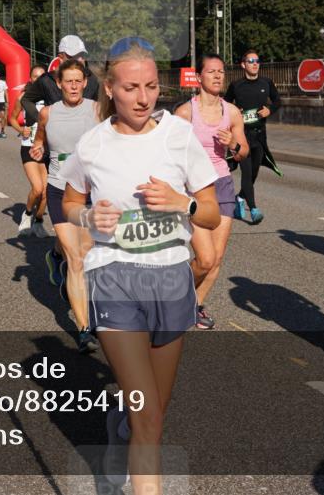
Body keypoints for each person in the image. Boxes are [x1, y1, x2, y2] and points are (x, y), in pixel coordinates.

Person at [61, 41, 220, 492]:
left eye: (151, 86)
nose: (143, 97)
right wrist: (88, 217)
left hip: (171, 279)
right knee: (148, 410)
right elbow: (70, 201)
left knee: (156, 410)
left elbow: (209, 211)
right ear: (110, 89)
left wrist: (182, 202)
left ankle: (122, 428)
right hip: (114, 278)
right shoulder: (92, 144)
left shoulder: (177, 135)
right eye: (131, 87)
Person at [175, 54, 249, 330]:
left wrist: (234, 145)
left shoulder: (232, 112)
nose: (218, 76)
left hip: (222, 185)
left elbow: (243, 152)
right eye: (212, 72)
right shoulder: (184, 113)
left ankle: (195, 305)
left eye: (221, 72)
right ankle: (179, 294)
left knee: (216, 257)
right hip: (194, 189)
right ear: (200, 77)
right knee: (204, 259)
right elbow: (169, 152)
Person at [31, 59, 100, 351]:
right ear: (58, 84)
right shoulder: (48, 113)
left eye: (77, 81)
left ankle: (53, 255)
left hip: (90, 193)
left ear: (85, 82)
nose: (73, 86)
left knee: (86, 254)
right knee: (77, 259)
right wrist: (38, 148)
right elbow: (40, 139)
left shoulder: (98, 110)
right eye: (67, 81)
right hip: (60, 190)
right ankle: (84, 329)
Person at [224, 49, 282, 224]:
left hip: (260, 136)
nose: (255, 63)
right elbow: (225, 105)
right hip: (242, 137)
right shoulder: (236, 85)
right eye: (250, 61)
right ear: (243, 65)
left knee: (254, 173)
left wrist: (269, 110)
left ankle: (239, 199)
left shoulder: (266, 82)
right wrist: (235, 112)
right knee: (247, 174)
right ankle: (254, 210)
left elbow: (277, 101)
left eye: (257, 60)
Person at [21, 35, 101, 124]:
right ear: (61, 57)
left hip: (85, 136)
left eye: (81, 55)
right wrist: (41, 119)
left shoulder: (92, 79)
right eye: (73, 56)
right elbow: (26, 100)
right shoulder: (47, 80)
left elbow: (102, 106)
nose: (79, 59)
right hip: (55, 136)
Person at [9, 65, 49, 237]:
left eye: (42, 76)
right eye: (35, 76)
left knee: (47, 192)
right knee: (38, 188)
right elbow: (11, 118)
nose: (38, 80)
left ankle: (38, 222)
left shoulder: (52, 98)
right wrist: (21, 130)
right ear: (30, 78)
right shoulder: (24, 96)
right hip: (29, 146)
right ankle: (27, 214)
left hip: (48, 148)